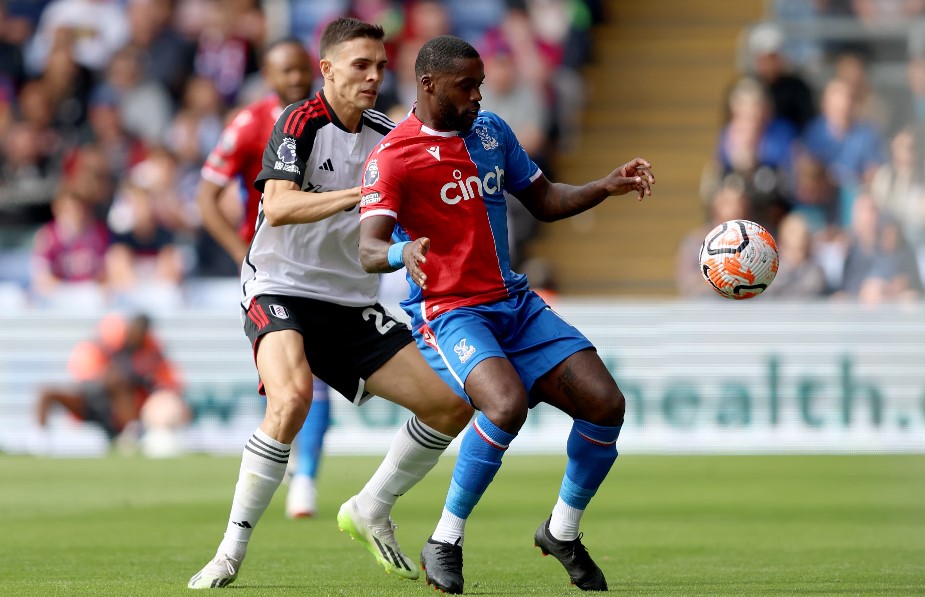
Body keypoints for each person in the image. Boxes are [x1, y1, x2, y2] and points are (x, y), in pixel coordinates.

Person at [358, 35, 654, 594]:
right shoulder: (392, 158)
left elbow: (544, 200)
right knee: (505, 404)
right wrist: (403, 252)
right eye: (465, 87)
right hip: (450, 313)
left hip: (514, 305)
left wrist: (604, 186)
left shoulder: (492, 131)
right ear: (428, 85)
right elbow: (367, 247)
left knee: (606, 404)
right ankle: (445, 538)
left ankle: (561, 531)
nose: (476, 96)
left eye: (480, 85)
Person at [187, 18, 474, 590]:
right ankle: (229, 552)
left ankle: (371, 506)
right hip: (278, 286)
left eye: (380, 67)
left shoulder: (388, 135)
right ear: (328, 70)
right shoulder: (298, 122)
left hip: (348, 301)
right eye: (360, 65)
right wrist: (362, 193)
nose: (372, 76)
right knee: (291, 400)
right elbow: (282, 205)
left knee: (451, 407)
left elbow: (417, 206)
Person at [197, 37, 330, 520]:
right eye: (285, 72)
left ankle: (306, 478)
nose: (296, 79)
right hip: (272, 268)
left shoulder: (334, 118)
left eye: (302, 70)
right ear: (268, 76)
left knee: (317, 376)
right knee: (282, 379)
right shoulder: (250, 123)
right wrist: (239, 251)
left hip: (328, 262)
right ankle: (289, 469)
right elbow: (207, 195)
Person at [35, 312, 186, 448]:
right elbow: (87, 375)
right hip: (91, 399)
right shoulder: (105, 346)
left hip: (122, 408)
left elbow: (165, 381)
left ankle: (132, 432)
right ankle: (40, 440)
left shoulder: (151, 353)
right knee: (46, 392)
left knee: (119, 383)